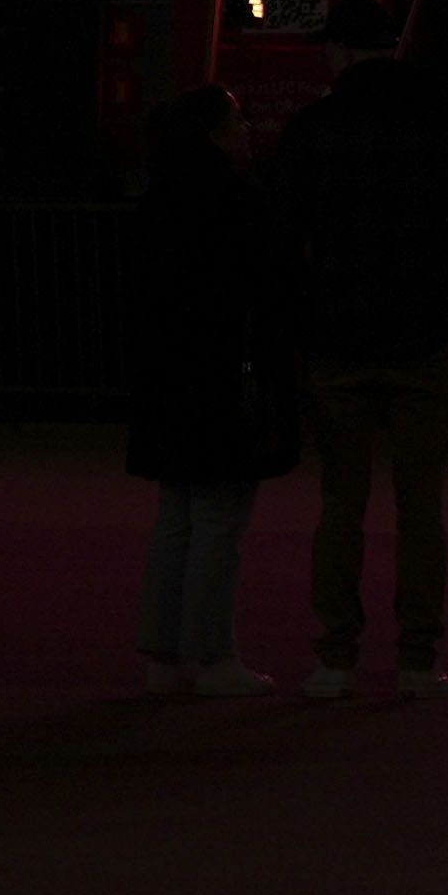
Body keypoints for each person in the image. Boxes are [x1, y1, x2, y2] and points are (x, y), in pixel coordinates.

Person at [265, 0, 448, 702]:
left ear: (337, 52)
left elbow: (281, 239)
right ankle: (418, 657)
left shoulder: (314, 129)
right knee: (421, 505)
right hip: (426, 336)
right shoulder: (437, 127)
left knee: (341, 502)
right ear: (393, 46)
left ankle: (336, 654)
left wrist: (299, 321)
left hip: (340, 337)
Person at [123, 80, 296, 696]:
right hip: (223, 377)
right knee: (220, 521)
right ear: (215, 136)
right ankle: (214, 652)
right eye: (237, 122)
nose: (247, 131)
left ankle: (165, 655)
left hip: (167, 379)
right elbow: (267, 292)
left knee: (177, 517)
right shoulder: (239, 202)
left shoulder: (159, 201)